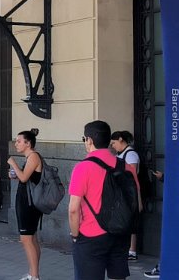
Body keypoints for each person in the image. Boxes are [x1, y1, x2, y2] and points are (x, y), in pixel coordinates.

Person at [70, 120, 129, 280]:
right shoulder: (125, 165)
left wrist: (75, 235)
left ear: (89, 140)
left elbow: (73, 209)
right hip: (120, 232)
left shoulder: (83, 168)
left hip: (91, 234)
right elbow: (135, 200)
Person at [8, 129, 45, 280]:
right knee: (31, 238)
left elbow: (24, 178)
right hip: (27, 201)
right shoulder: (31, 157)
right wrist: (14, 173)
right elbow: (26, 178)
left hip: (29, 204)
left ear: (28, 143)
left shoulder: (34, 157)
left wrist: (13, 164)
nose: (16, 144)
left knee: (26, 238)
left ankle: (34, 275)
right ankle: (33, 272)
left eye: (19, 141)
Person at [110, 131, 143, 262]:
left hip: (131, 193)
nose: (112, 146)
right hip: (123, 193)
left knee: (131, 220)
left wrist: (138, 199)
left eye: (113, 143)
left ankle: (132, 250)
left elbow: (133, 178)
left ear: (121, 139)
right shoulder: (121, 154)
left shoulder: (131, 155)